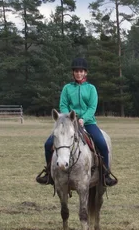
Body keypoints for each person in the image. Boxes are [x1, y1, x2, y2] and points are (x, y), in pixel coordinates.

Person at [35, 57, 117, 187]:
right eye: (76, 71)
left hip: (88, 122)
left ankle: (105, 175)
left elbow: (92, 107)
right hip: (68, 123)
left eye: (81, 71)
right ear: (73, 73)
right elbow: (63, 105)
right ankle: (49, 174)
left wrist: (83, 119)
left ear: (85, 73)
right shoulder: (67, 88)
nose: (79, 73)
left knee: (102, 144)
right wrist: (68, 118)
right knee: (48, 144)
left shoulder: (91, 89)